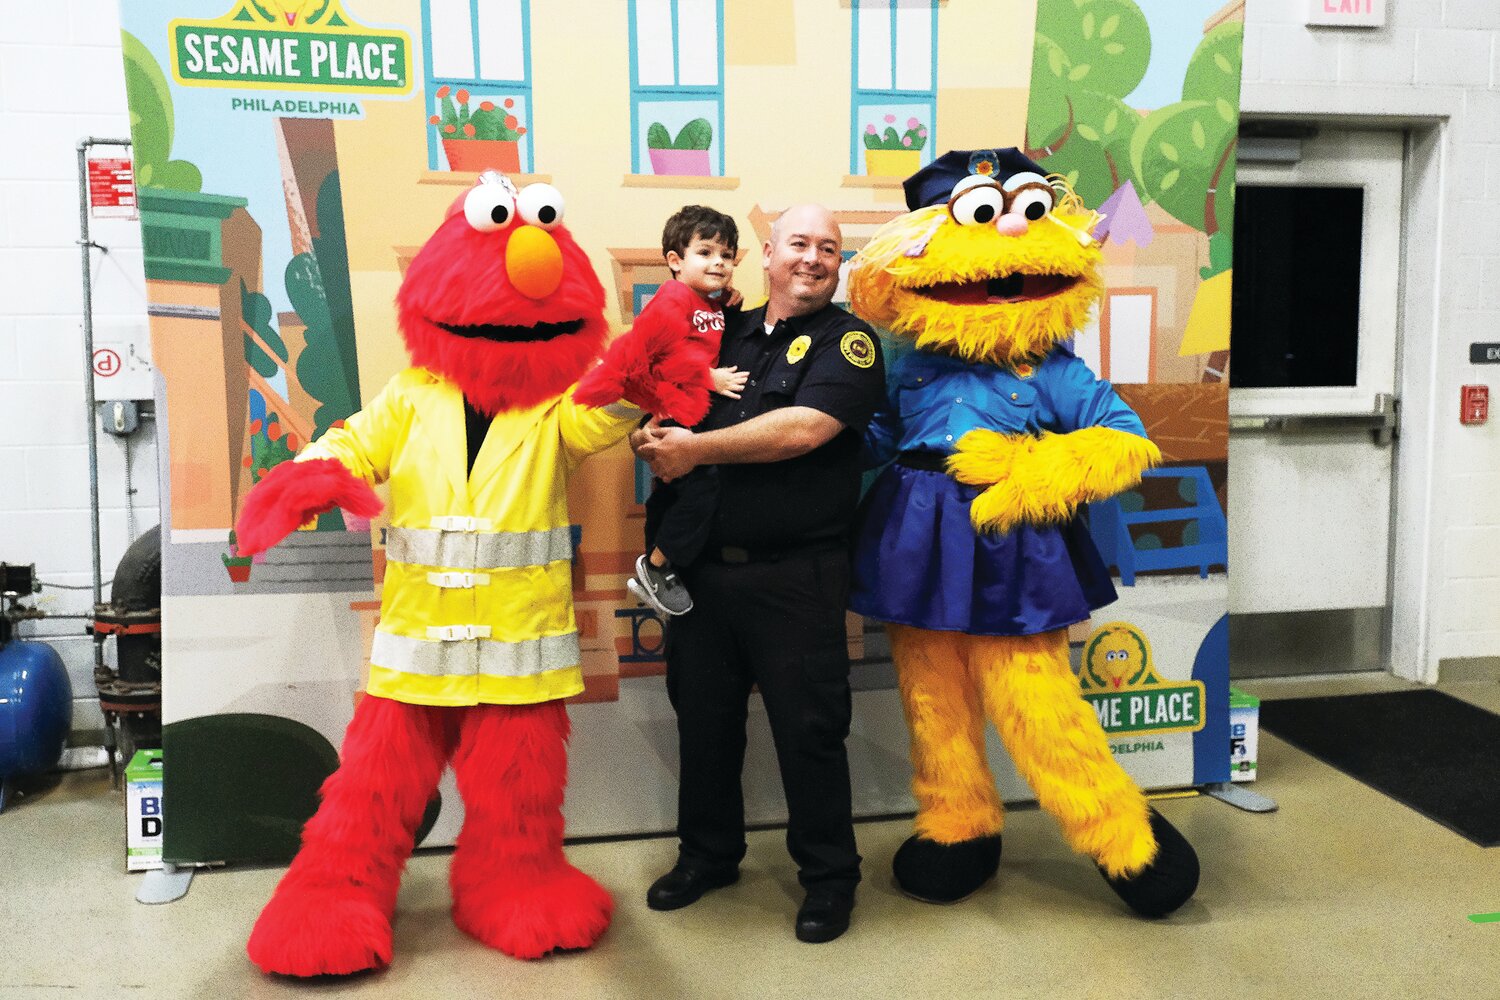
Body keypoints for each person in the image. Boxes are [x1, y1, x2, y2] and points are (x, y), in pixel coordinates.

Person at [632, 204, 886, 944]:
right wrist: (649, 432)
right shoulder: (721, 332)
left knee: (809, 731)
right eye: (799, 244)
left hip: (796, 576)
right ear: (766, 254)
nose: (813, 258)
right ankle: (707, 857)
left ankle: (830, 879)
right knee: (703, 724)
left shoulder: (852, 342)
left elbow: (804, 430)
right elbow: (665, 400)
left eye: (829, 249)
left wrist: (695, 451)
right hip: (700, 575)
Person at [625, 205, 748, 617]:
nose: (719, 262)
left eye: (727, 255)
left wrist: (724, 308)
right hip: (679, 406)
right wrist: (706, 377)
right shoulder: (671, 299)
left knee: (674, 491)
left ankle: (657, 556)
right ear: (676, 261)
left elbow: (704, 336)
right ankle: (656, 566)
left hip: (689, 411)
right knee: (703, 487)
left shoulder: (702, 302)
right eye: (706, 252)